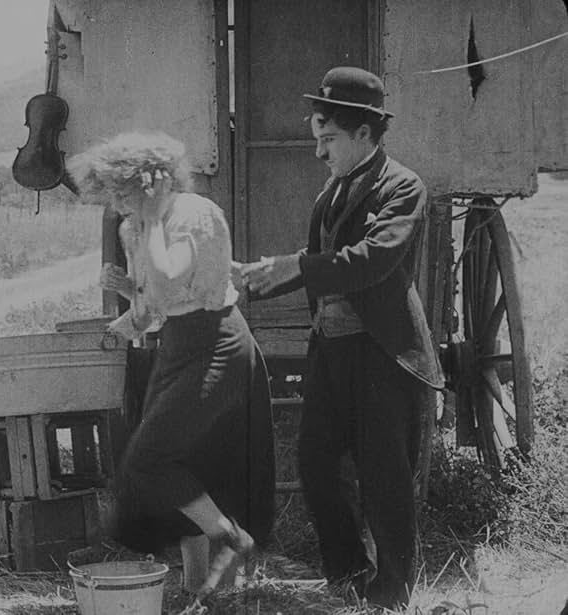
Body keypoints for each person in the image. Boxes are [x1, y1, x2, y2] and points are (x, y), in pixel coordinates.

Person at [241, 67, 444, 611]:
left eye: (327, 140)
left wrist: (296, 267)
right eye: (317, 140)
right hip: (331, 350)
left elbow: (374, 261)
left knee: (385, 478)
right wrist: (265, 276)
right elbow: (321, 266)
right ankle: (348, 574)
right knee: (316, 464)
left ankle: (392, 592)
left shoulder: (403, 186)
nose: (319, 153)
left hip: (380, 352)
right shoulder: (332, 192)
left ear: (364, 134)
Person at [67, 132, 275, 608]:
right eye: (110, 196)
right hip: (177, 346)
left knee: (150, 459)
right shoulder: (134, 227)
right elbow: (153, 310)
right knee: (185, 465)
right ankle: (199, 588)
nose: (116, 205)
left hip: (217, 341)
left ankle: (231, 538)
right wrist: (124, 305)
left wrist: (155, 218)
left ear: (147, 181)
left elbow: (166, 278)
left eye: (121, 193)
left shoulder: (193, 215)